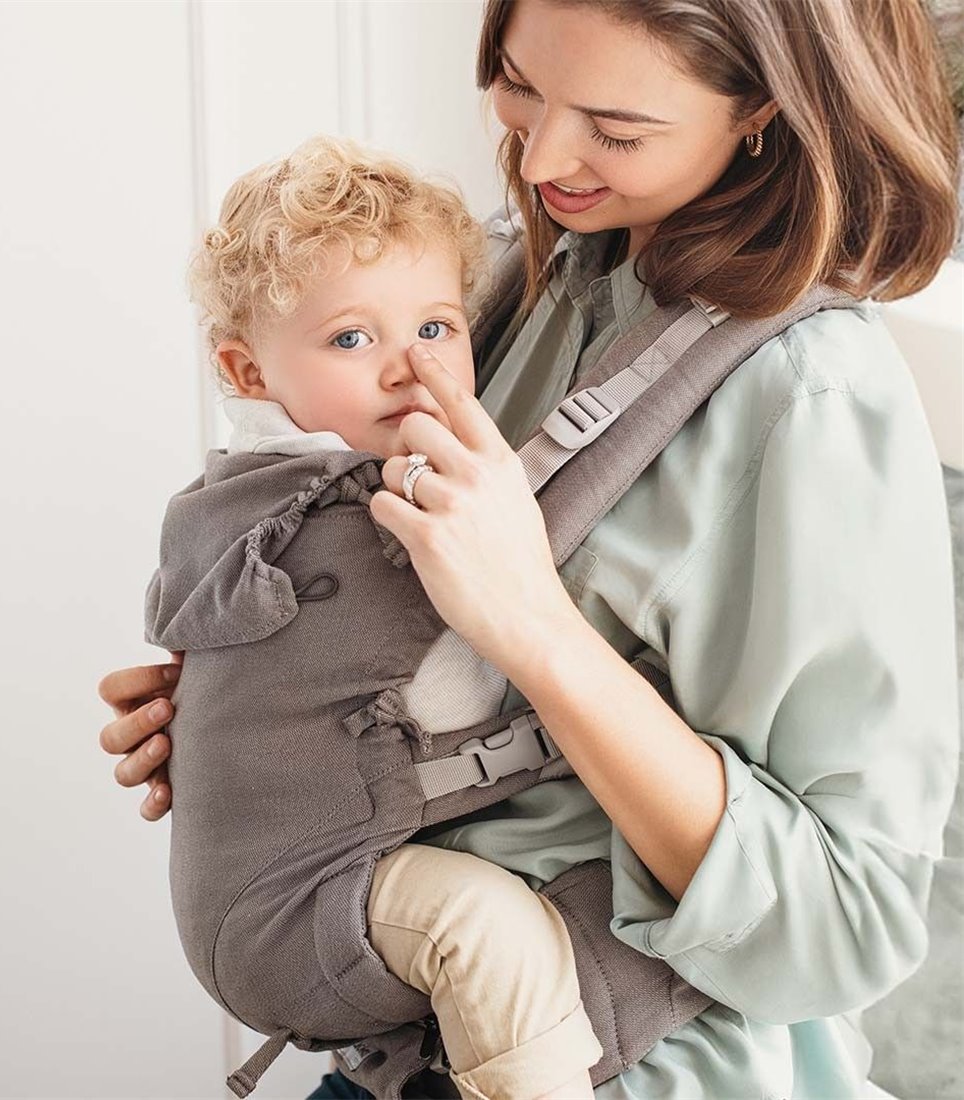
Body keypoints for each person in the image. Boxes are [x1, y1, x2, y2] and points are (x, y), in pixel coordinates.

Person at [99, 1, 961, 1096]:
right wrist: (262, 705)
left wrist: (535, 628)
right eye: (517, 83)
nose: (541, 154)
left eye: (613, 124)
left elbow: (849, 918)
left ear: (760, 107)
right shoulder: (519, 283)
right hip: (400, 1043)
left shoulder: (811, 398)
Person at [146, 134, 604, 1100]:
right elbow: (450, 671)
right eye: (352, 339)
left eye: (437, 328)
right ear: (249, 371)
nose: (409, 369)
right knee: (490, 932)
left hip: (300, 883)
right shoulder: (315, 506)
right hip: (291, 910)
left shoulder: (294, 484)